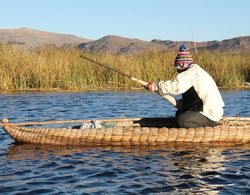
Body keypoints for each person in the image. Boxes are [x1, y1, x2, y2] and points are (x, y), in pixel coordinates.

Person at [144, 45, 224, 128]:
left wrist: (157, 86)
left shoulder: (192, 73)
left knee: (182, 120)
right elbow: (181, 105)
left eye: (178, 68)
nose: (177, 71)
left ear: (182, 65)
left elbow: (175, 87)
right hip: (201, 111)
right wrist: (159, 91)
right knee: (179, 114)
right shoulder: (193, 74)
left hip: (209, 114)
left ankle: (202, 128)